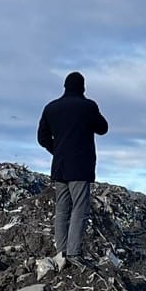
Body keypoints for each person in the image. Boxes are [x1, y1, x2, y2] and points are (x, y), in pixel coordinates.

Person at [36, 71, 109, 261]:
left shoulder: (51, 108)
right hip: (81, 166)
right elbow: (103, 128)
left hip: (60, 166)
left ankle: (61, 253)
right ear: (82, 87)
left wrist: (57, 151)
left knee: (61, 210)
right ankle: (74, 252)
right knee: (79, 209)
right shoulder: (87, 106)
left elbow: (42, 138)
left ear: (65, 86)